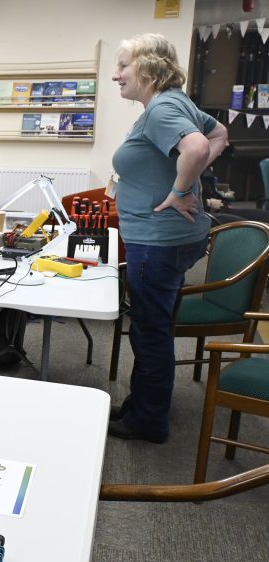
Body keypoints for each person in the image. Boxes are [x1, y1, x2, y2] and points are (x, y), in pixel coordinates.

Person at [108, 33, 228, 443]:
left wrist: (179, 190)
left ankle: (148, 419)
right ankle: (145, 403)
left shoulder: (162, 107)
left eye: (122, 66)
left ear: (147, 67)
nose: (115, 75)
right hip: (172, 239)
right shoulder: (174, 101)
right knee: (154, 325)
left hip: (157, 241)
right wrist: (183, 178)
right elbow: (219, 135)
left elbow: (196, 146)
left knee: (150, 329)